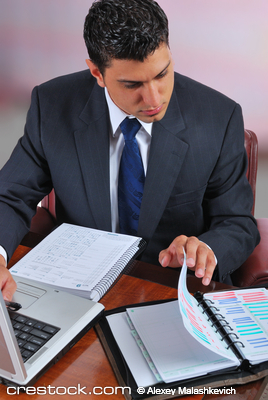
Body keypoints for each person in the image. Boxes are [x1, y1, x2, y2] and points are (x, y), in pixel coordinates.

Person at [0, 0, 260, 301]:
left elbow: (238, 223)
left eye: (162, 74)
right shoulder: (53, 106)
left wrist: (207, 250)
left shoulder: (218, 117)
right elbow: (11, 194)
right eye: (132, 83)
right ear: (97, 73)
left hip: (175, 291)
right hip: (78, 289)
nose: (153, 98)